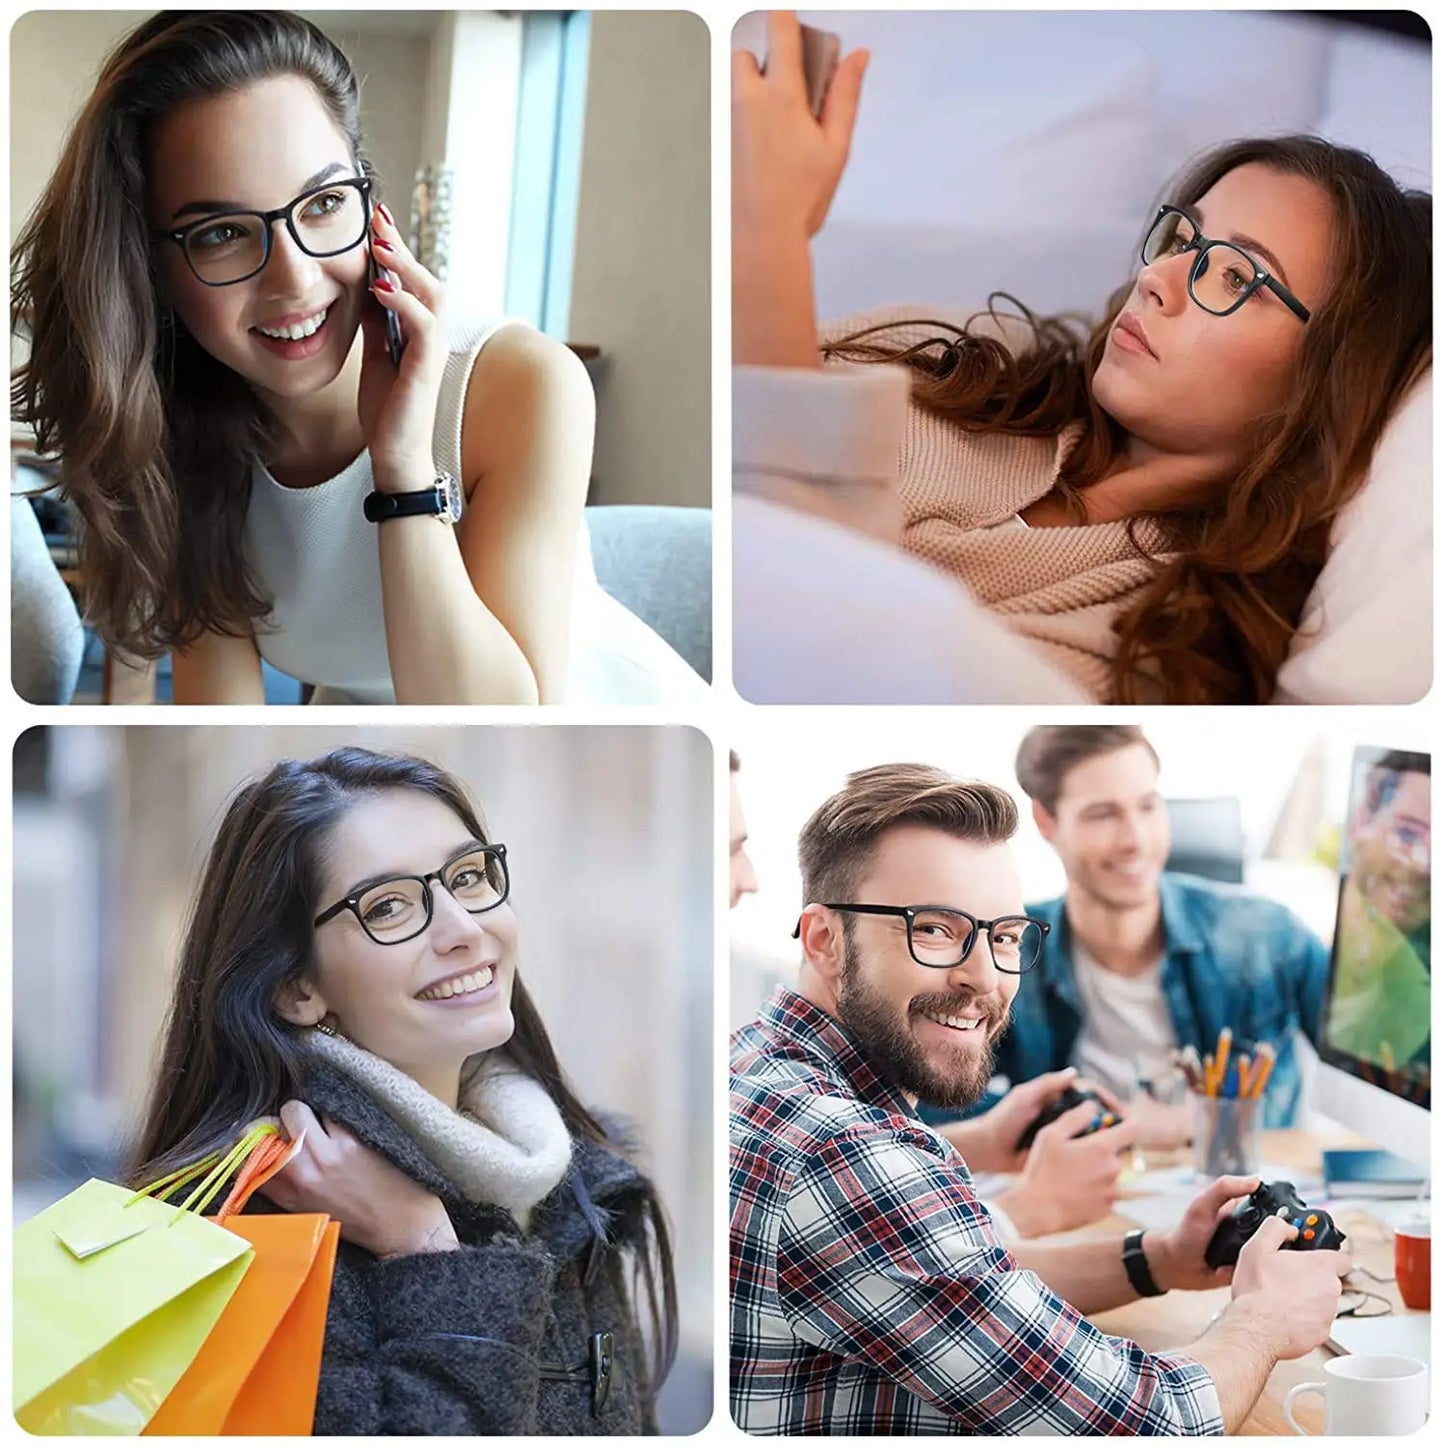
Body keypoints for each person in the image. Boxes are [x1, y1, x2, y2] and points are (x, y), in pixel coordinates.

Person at [732, 12, 1432, 704]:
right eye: (1181, 240)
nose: (1156, 280)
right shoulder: (955, 359)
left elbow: (822, 657)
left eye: (1236, 278)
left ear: (1333, 378)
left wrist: (769, 241)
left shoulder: (1160, 642)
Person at [12, 9, 703, 706]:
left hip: (604, 744)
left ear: (373, 213)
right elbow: (222, 733)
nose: (295, 279)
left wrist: (402, 469)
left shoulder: (520, 385)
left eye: (322, 203)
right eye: (222, 232)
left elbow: (501, 726)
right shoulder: (174, 424)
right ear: (148, 266)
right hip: (365, 768)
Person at [730, 762, 1351, 1434]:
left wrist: (1160, 1258)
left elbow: (965, 1285)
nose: (984, 979)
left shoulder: (754, 1062)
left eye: (1002, 938)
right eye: (934, 930)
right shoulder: (849, 1154)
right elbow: (1156, 1425)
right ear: (824, 940)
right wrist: (1260, 1322)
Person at [126, 747, 676, 1434]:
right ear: (296, 987)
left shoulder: (573, 1182)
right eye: (388, 907)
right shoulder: (248, 1226)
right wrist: (425, 1253)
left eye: (468, 877)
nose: (464, 930)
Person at [1328, 752, 1430, 1072]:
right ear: (1361, 821)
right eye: (1408, 834)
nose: (1423, 865)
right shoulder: (1302, 946)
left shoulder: (1421, 1002)